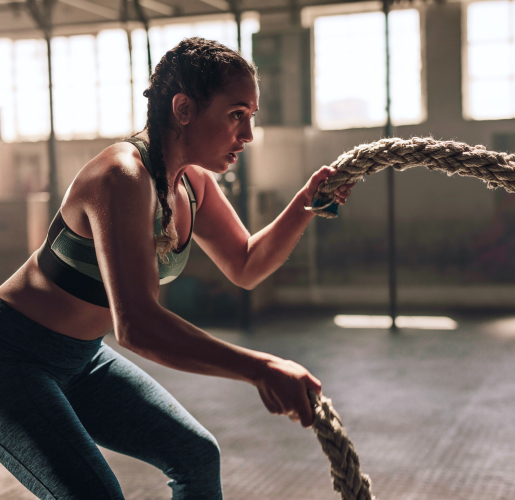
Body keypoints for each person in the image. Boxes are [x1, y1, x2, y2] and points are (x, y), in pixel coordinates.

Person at [0, 37, 354, 500]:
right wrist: (262, 367)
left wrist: (304, 206)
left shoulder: (192, 184)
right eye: (236, 115)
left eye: (252, 117)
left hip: (82, 358)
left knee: (195, 455)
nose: (247, 134)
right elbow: (137, 326)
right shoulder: (122, 177)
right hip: (13, 360)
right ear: (184, 108)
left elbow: (246, 264)